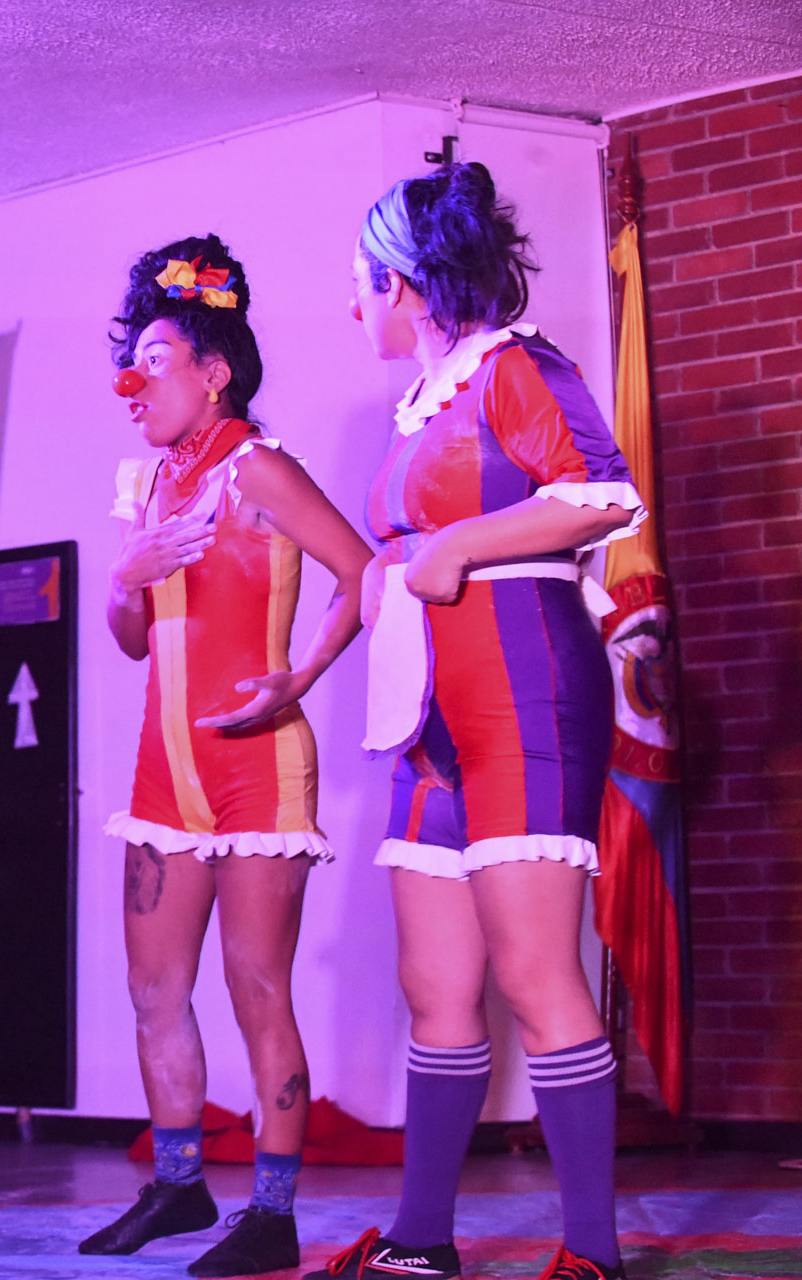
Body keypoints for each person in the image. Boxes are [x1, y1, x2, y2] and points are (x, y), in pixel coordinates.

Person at [310, 163, 644, 1280]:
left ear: (402, 286)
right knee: (436, 988)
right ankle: (422, 1239)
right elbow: (401, 557)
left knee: (538, 975)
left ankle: (591, 1253)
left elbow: (602, 492)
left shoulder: (517, 366)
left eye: (360, 282)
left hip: (525, 697)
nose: (351, 303)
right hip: (428, 723)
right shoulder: (419, 407)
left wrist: (456, 545)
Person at [81, 236, 373, 1276]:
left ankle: (274, 1211)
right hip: (164, 772)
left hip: (258, 765)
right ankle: (178, 1184)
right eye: (130, 364)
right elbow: (130, 639)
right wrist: (123, 575)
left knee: (257, 985)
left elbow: (362, 572)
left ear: (213, 372)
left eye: (154, 362)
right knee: (153, 987)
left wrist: (302, 677)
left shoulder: (260, 468)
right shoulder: (149, 484)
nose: (134, 384)